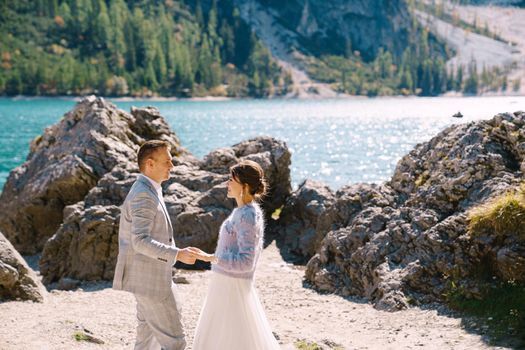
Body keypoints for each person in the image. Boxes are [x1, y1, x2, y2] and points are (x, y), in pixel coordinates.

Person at [113, 140, 209, 350]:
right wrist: (178, 254)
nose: (172, 167)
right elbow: (140, 241)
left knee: (146, 343)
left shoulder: (149, 189)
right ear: (150, 164)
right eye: (167, 161)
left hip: (147, 280)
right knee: (175, 343)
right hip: (152, 284)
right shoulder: (143, 195)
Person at [192, 160, 280, 350]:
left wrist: (211, 258)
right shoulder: (242, 212)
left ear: (245, 186)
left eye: (232, 180)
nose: (227, 183)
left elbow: (246, 262)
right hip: (226, 283)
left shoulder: (247, 215)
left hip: (233, 287)